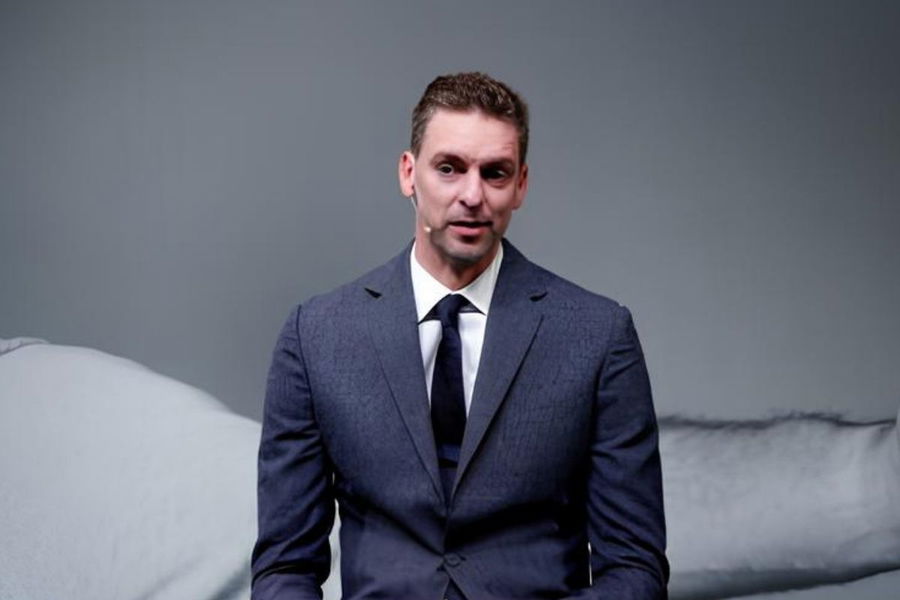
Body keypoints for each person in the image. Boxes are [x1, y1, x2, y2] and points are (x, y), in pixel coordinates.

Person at [250, 72, 668, 599]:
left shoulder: (598, 336)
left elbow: (634, 567)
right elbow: (284, 567)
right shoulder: (317, 337)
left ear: (521, 184)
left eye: (495, 173)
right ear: (409, 173)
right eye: (449, 168)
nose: (472, 195)